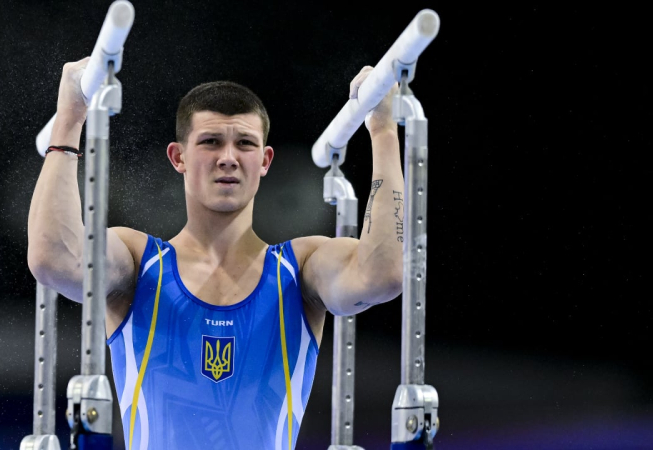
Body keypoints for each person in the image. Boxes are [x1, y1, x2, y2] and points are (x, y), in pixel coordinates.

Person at [27, 56, 404, 450]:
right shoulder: (139, 263)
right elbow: (55, 260)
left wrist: (383, 132)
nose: (228, 157)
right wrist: (69, 117)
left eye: (245, 143)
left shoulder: (302, 268)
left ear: (264, 161)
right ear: (179, 157)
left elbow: (383, 275)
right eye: (210, 142)